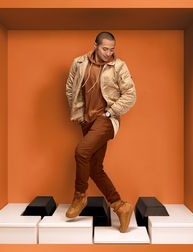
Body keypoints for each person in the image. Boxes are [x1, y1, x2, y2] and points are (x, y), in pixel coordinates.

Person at [65, 31, 136, 233]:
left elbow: (131, 94)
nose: (109, 52)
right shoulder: (79, 63)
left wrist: (110, 112)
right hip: (86, 122)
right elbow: (70, 87)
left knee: (81, 152)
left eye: (112, 49)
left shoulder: (118, 66)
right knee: (95, 169)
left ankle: (80, 196)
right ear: (95, 45)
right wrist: (77, 111)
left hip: (106, 120)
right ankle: (120, 206)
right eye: (105, 48)